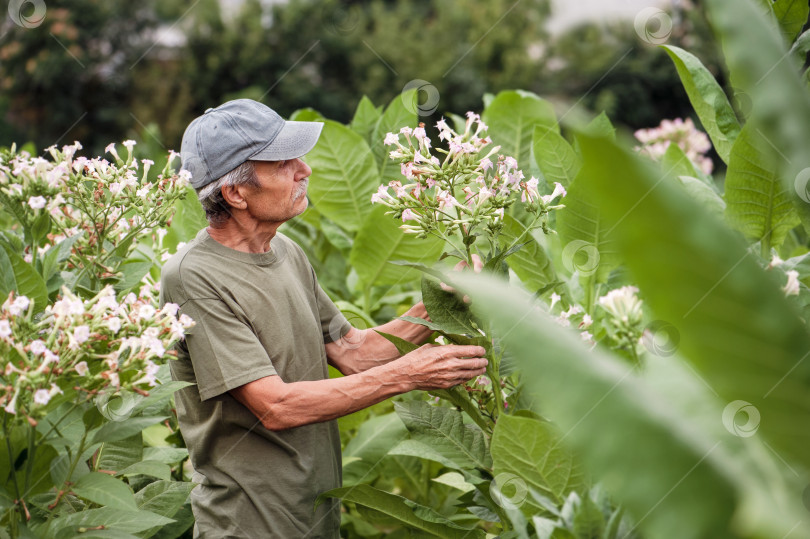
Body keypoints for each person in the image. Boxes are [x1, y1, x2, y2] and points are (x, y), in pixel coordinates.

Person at [159, 99, 488, 538]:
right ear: (235, 193)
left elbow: (356, 353)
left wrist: (442, 305)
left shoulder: (286, 252)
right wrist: (409, 374)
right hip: (249, 526)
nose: (304, 170)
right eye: (281, 164)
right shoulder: (192, 277)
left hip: (314, 520)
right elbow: (274, 406)